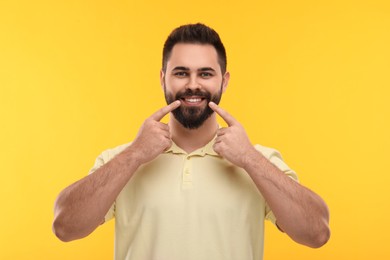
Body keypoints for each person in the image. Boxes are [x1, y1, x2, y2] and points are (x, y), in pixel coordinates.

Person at [52, 23, 330, 260]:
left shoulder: (258, 160)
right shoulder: (123, 158)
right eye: (181, 72)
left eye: (206, 73)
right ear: (163, 79)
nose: (193, 85)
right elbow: (65, 226)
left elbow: (317, 233)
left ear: (225, 80)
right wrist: (134, 154)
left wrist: (248, 158)